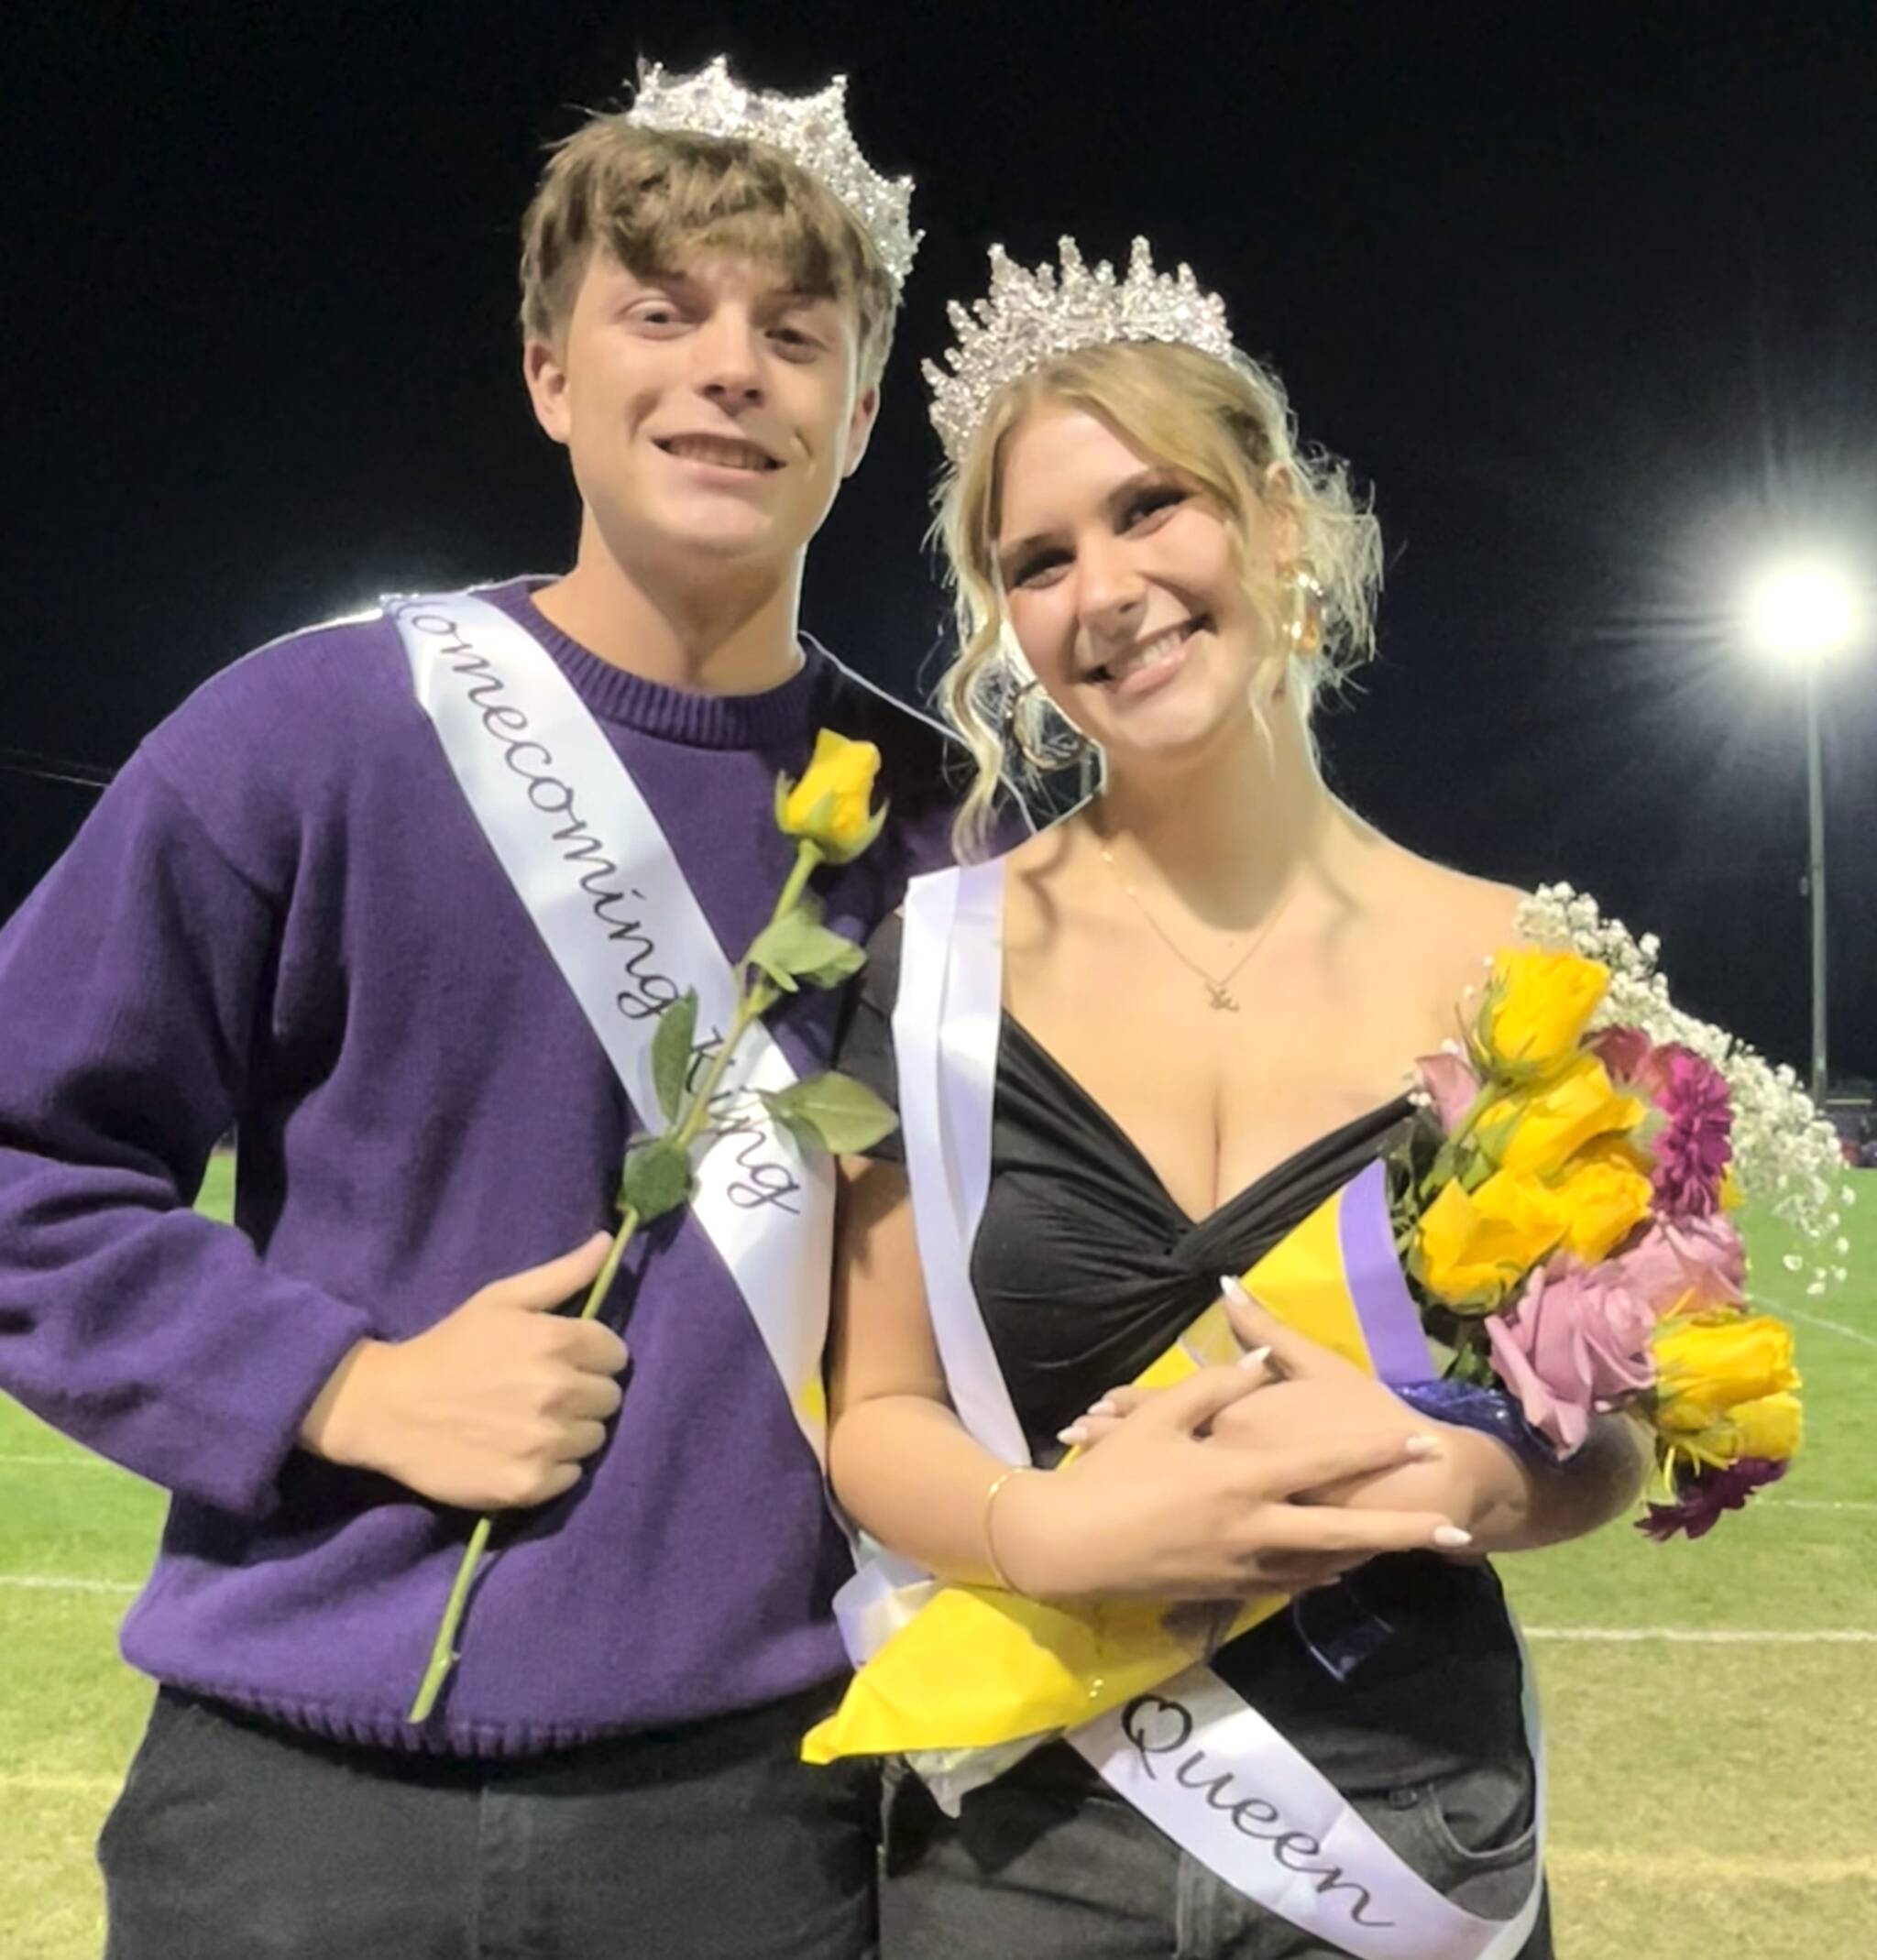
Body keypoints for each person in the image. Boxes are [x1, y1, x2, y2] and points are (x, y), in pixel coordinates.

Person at [0, 59, 975, 1960]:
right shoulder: (316, 727)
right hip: (297, 1798)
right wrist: (338, 1383)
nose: (728, 368)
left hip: (755, 1813)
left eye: (796, 331)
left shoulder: (946, 823)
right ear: (550, 374)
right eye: (660, 310)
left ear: (859, 411)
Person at [824, 239, 1651, 1958]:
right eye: (1036, 559)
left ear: (1276, 520)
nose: (1103, 588)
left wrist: (1475, 1481)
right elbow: (876, 1407)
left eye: (1150, 509)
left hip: (1404, 1823)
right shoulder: (940, 958)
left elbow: (1615, 1433)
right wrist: (1038, 1524)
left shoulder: (1519, 969)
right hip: (1023, 1838)